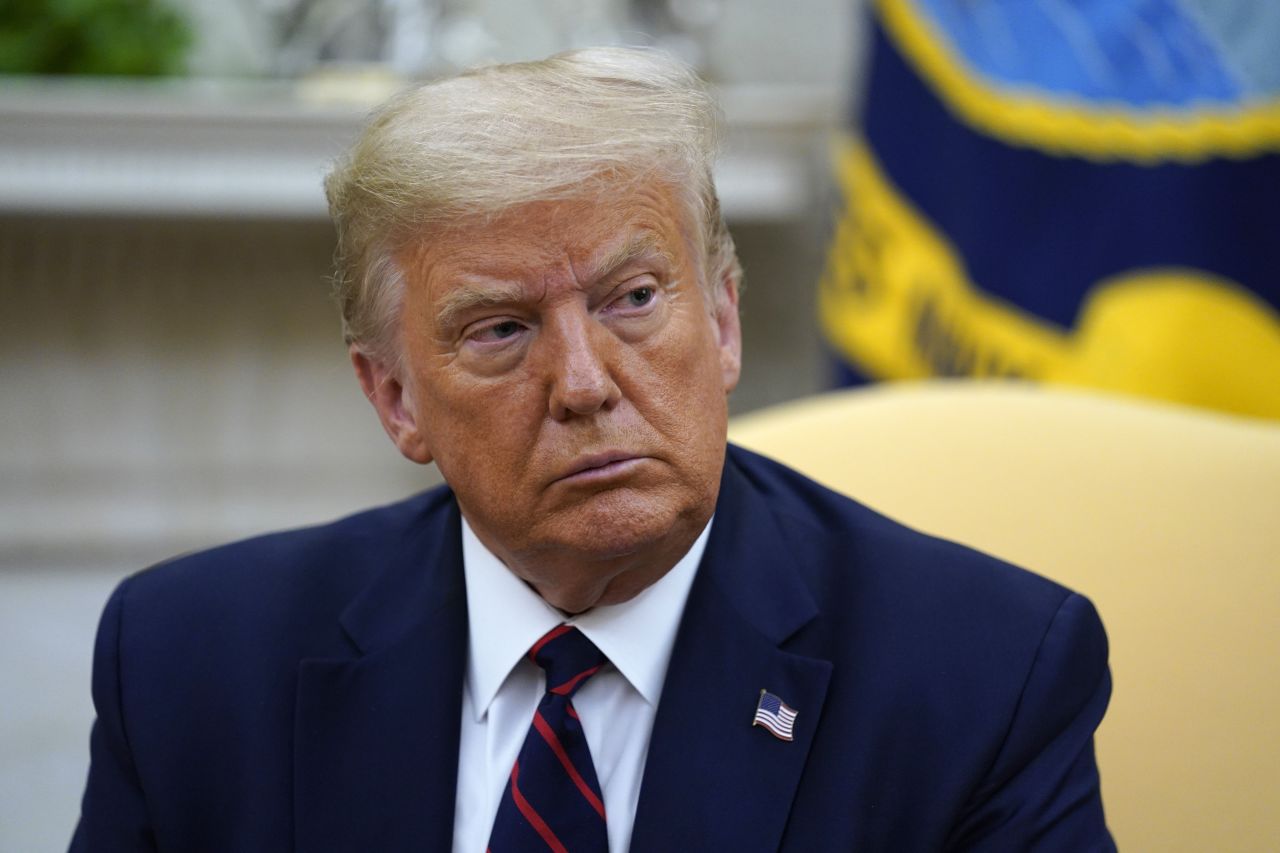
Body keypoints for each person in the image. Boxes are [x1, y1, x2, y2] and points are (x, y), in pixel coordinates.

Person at [70, 47, 1114, 852]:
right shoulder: (191, 666)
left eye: (632, 299)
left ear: (722, 323)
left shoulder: (979, 676)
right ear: (394, 397)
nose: (581, 382)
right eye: (499, 329)